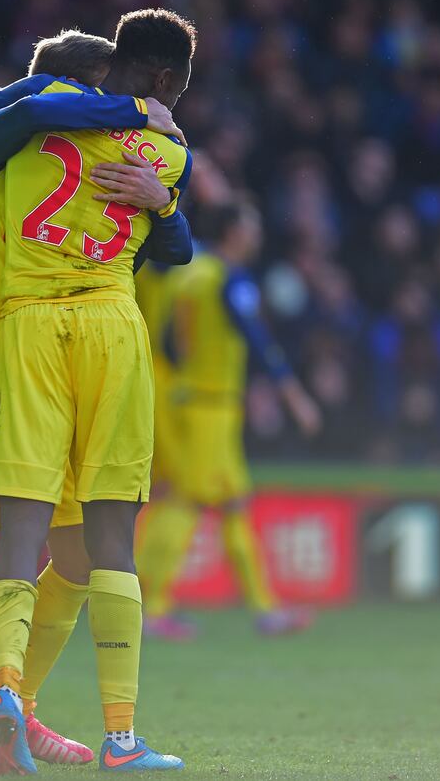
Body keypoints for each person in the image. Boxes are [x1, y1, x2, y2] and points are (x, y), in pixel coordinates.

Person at [0, 29, 192, 773]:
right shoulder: (9, 129)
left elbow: (166, 245)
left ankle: (14, 708)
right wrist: (120, 108)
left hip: (46, 348)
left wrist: (161, 197)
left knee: (80, 554)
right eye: (98, 96)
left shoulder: (65, 140)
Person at [137, 200, 321, 640]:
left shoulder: (188, 273)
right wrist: (293, 395)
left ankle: (265, 609)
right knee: (186, 501)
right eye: (251, 225)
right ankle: (147, 607)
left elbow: (167, 342)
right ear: (234, 232)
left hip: (189, 399)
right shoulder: (229, 278)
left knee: (233, 502)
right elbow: (256, 337)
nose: (257, 234)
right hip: (210, 406)